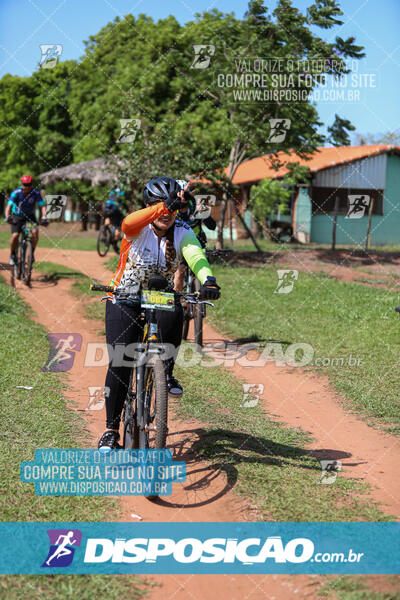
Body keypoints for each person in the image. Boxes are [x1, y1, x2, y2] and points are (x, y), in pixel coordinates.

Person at [98, 176, 220, 451]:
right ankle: (110, 431)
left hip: (159, 295)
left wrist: (208, 279)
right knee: (120, 362)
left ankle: (166, 371)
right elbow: (127, 223)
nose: (166, 213)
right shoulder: (137, 228)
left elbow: (195, 255)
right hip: (124, 296)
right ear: (150, 206)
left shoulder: (183, 231)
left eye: (172, 208)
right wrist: (165, 205)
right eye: (159, 207)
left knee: (176, 312)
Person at [174, 180, 217, 292]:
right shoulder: (172, 207)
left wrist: (204, 213)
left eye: (186, 195)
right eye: (180, 196)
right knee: (179, 272)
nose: (183, 199)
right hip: (178, 243)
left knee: (201, 267)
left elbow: (212, 226)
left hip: (197, 242)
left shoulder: (197, 204)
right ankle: (177, 299)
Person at [5, 175, 48, 265]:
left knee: (35, 233)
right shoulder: (16, 193)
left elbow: (42, 205)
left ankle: (31, 254)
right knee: (15, 236)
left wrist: (44, 217)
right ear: (22, 184)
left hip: (29, 217)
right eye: (25, 184)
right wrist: (8, 216)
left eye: (29, 185)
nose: (26, 187)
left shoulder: (35, 193)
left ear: (31, 185)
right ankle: (12, 254)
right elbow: (9, 206)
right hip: (17, 216)